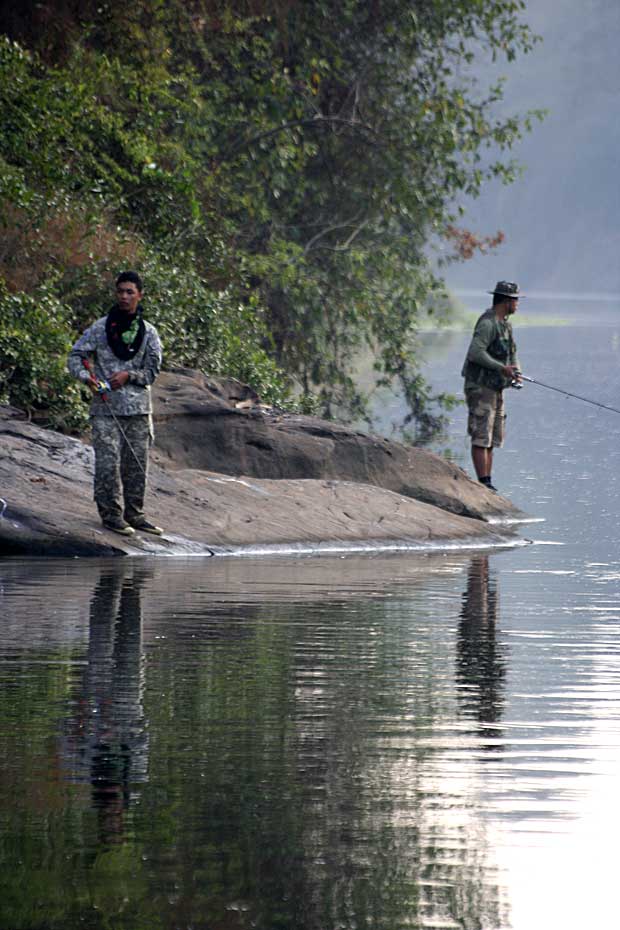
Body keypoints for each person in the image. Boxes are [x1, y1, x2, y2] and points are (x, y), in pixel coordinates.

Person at [68, 271, 163, 535]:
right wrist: (87, 378)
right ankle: (110, 515)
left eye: (130, 292)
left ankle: (136, 515)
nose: (124, 296)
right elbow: (76, 356)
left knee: (136, 465)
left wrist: (129, 375)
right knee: (107, 464)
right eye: (120, 291)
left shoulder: (149, 333)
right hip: (105, 409)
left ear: (139, 295)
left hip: (138, 411)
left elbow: (152, 373)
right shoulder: (100, 328)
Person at [461, 280, 522, 492]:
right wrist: (500, 368)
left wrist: (516, 373)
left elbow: (511, 354)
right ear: (506, 301)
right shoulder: (488, 323)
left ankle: (488, 482)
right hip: (480, 387)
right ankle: (483, 482)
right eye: (515, 300)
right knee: (481, 435)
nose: (517, 304)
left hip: (496, 389)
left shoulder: (505, 324)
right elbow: (475, 353)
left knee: (492, 436)